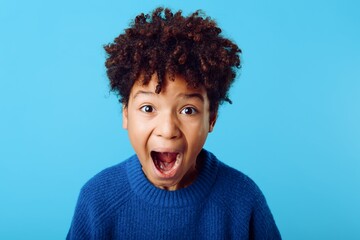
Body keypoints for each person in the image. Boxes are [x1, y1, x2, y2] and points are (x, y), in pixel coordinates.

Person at [67, 7, 281, 239]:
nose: (168, 130)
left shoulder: (243, 200)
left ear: (211, 118)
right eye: (148, 108)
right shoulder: (98, 200)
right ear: (126, 114)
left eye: (188, 110)